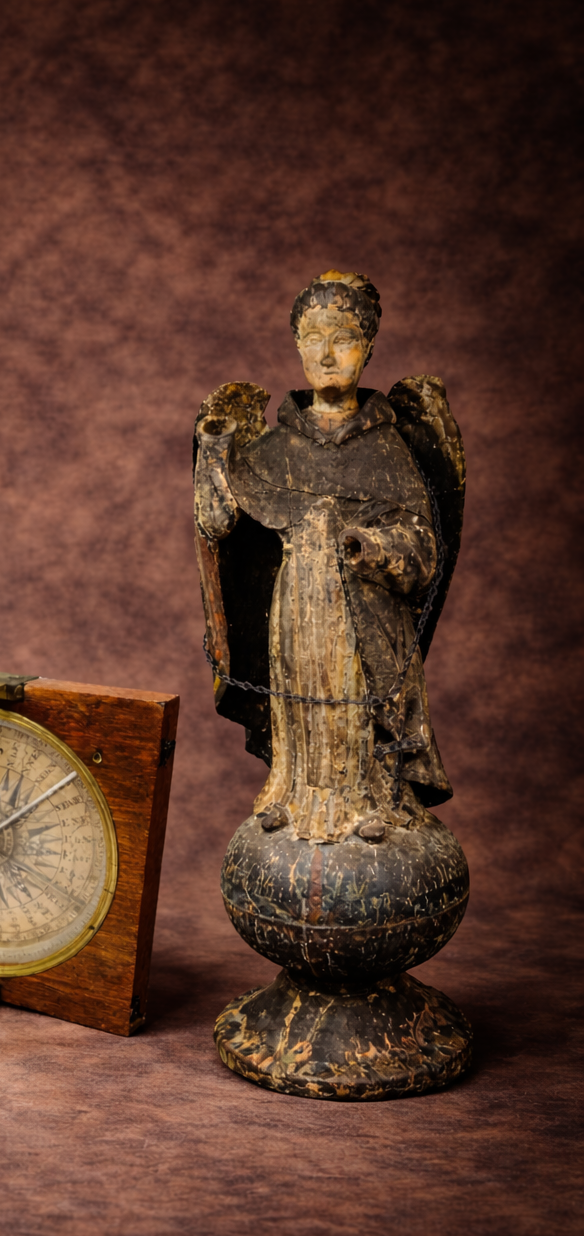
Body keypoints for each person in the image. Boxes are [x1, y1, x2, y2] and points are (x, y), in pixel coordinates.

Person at [195, 271, 453, 844]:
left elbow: (426, 552)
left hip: (367, 620)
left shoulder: (387, 447)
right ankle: (294, 796)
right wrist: (212, 450)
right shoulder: (270, 451)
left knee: (356, 705)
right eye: (313, 336)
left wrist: (374, 546)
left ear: (368, 346)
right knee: (301, 700)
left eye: (344, 336)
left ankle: (369, 805)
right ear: (296, 345)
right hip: (296, 613)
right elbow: (216, 525)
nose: (328, 353)